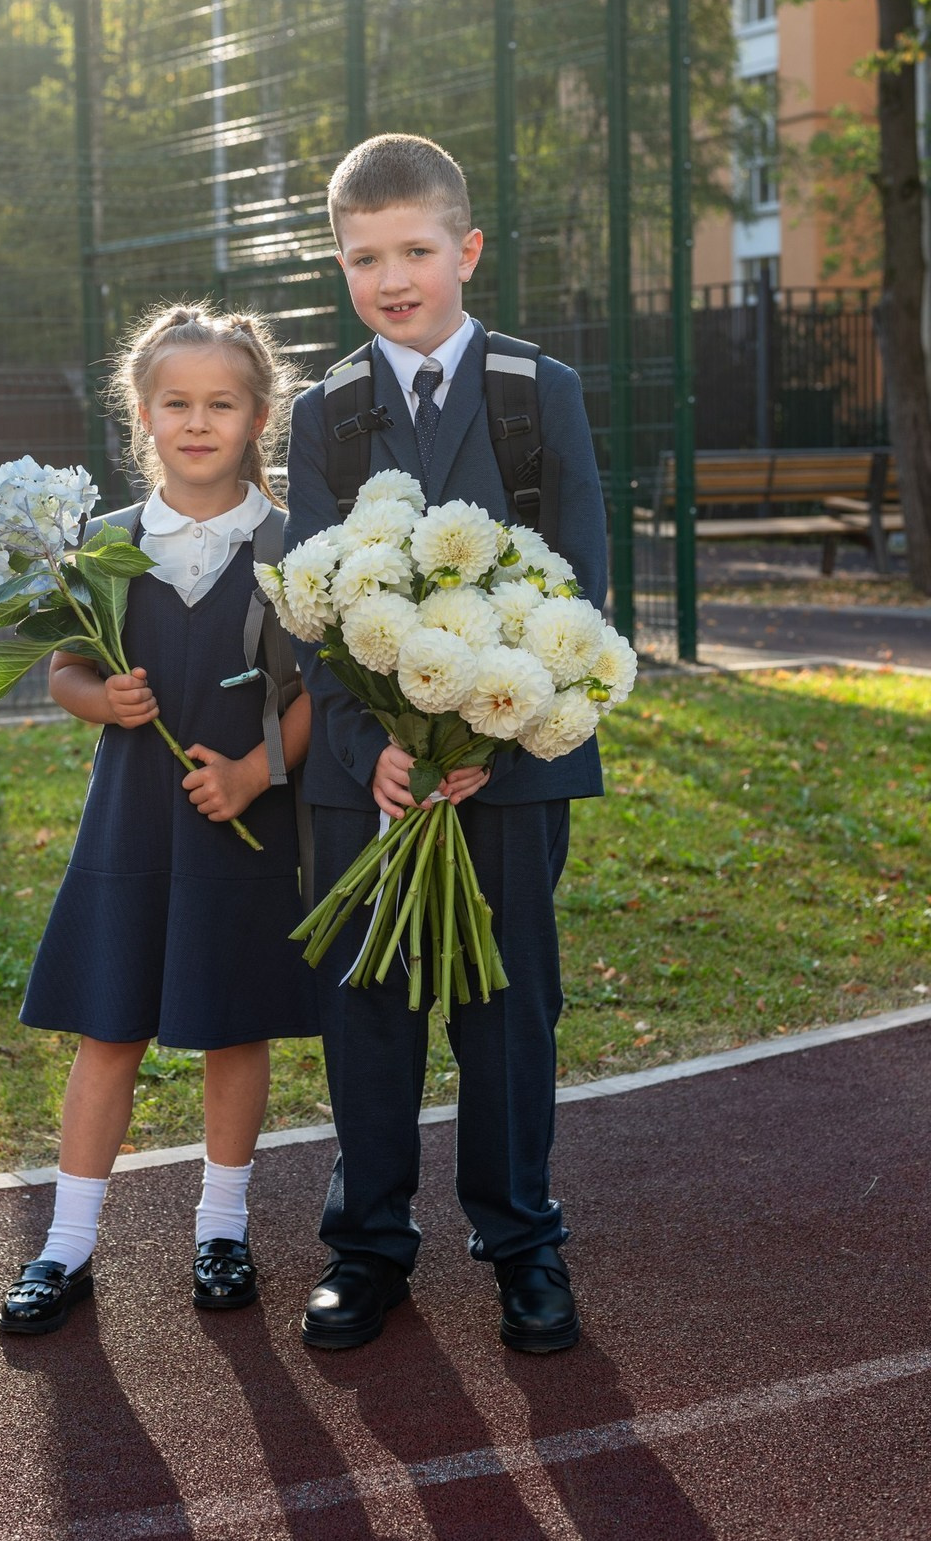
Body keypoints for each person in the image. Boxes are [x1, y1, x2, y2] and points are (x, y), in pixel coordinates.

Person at [286, 133, 607, 1354]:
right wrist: (372, 744)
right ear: (340, 266)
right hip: (366, 775)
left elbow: (578, 593)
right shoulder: (325, 412)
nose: (392, 276)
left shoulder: (538, 393)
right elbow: (310, 604)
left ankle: (522, 1240)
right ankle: (366, 1247)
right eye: (363, 257)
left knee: (507, 1006)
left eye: (414, 249)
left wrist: (498, 734)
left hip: (510, 767)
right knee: (367, 1006)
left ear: (464, 250)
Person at [0, 304, 316, 1336]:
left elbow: (318, 692)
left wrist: (257, 772)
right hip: (130, 831)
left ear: (256, 416)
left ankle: (221, 1230)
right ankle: (66, 1244)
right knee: (109, 1029)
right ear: (142, 416)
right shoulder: (102, 543)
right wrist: (104, 701)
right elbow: (63, 669)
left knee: (232, 1027)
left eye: (220, 403)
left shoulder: (291, 547)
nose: (196, 422)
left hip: (237, 830)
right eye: (175, 403)